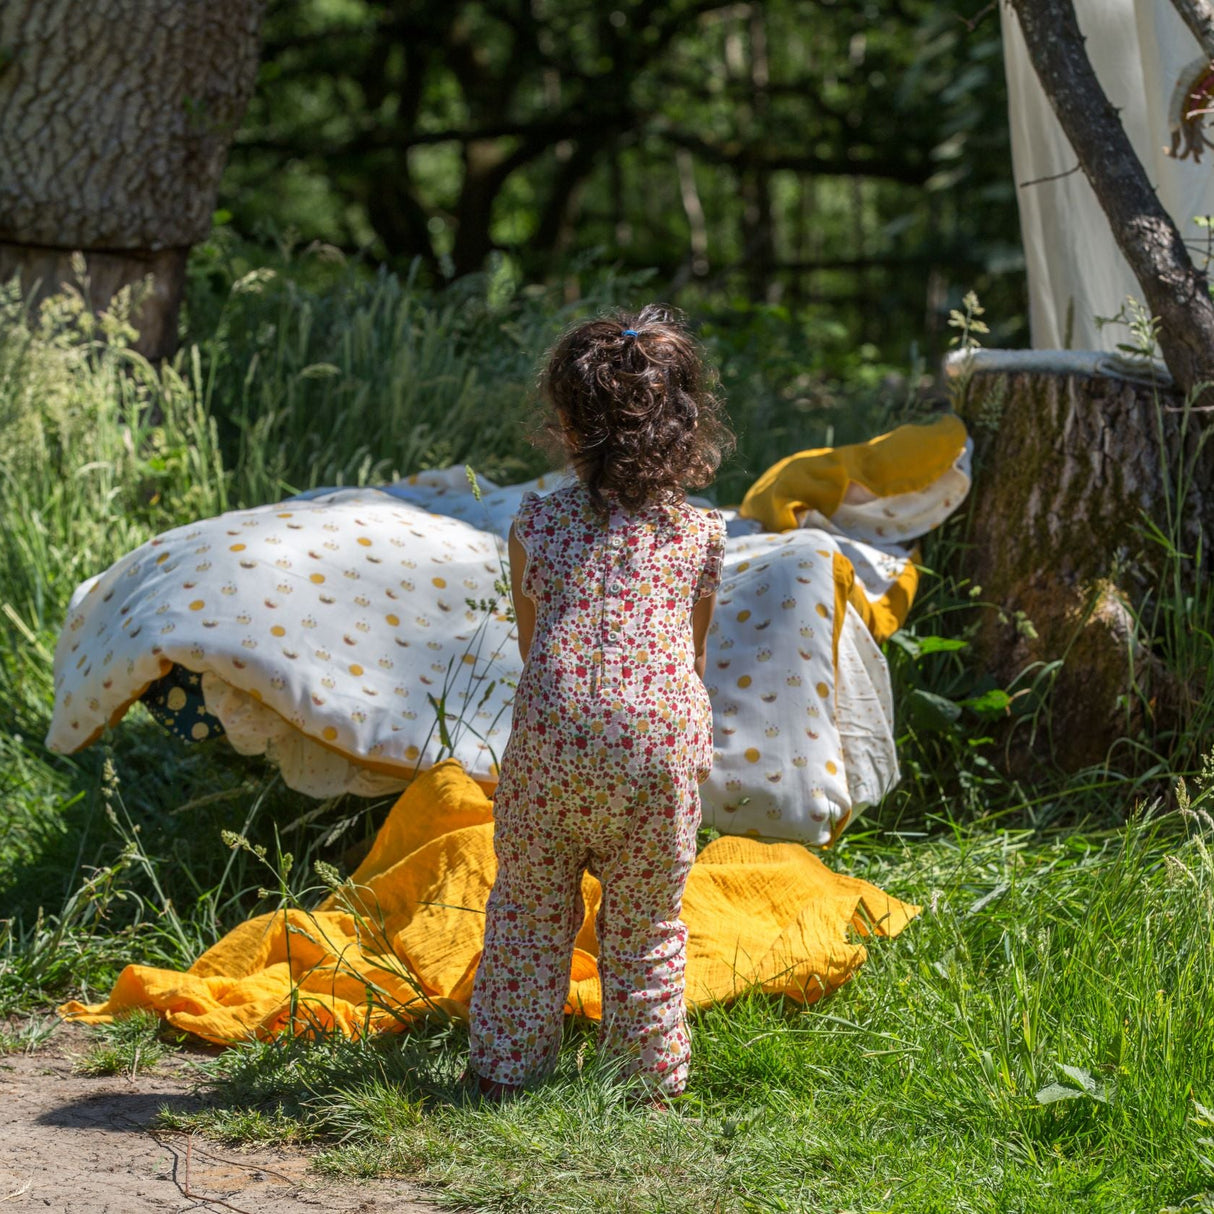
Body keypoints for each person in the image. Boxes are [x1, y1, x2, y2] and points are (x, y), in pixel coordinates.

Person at [467, 304, 734, 1101]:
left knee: (527, 909)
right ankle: (648, 1085)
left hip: (554, 742)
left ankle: (505, 1075)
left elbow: (532, 645)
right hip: (656, 754)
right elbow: (690, 654)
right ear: (685, 423)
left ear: (565, 422)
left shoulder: (536, 522)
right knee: (649, 923)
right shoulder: (702, 536)